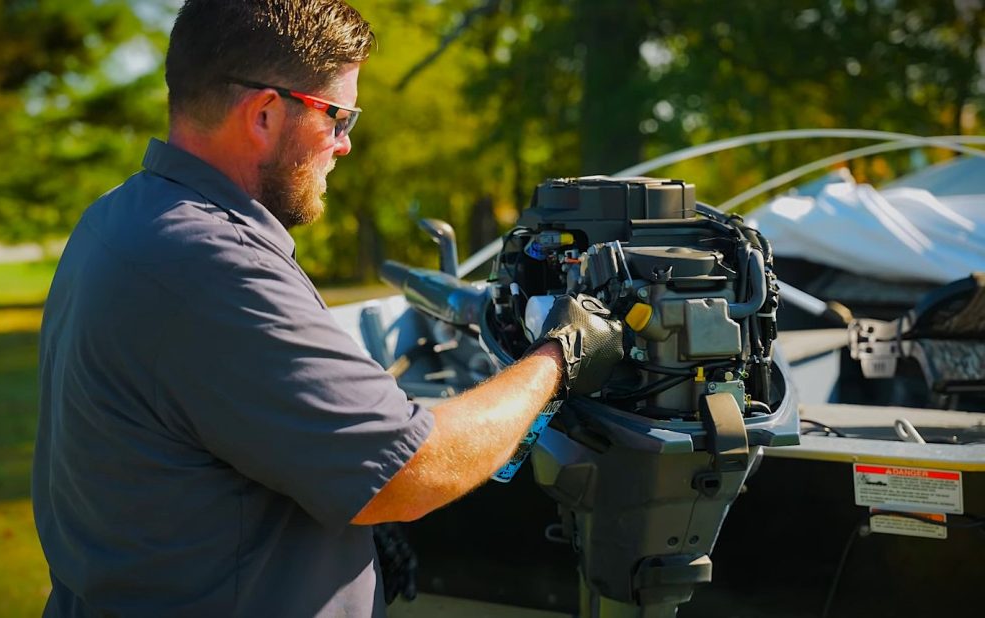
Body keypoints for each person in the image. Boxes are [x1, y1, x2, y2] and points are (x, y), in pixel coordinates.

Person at [32, 1, 623, 616]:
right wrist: (559, 354)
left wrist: (339, 539)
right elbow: (410, 472)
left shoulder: (120, 217)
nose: (343, 145)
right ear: (264, 113)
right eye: (339, 118)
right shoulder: (213, 263)